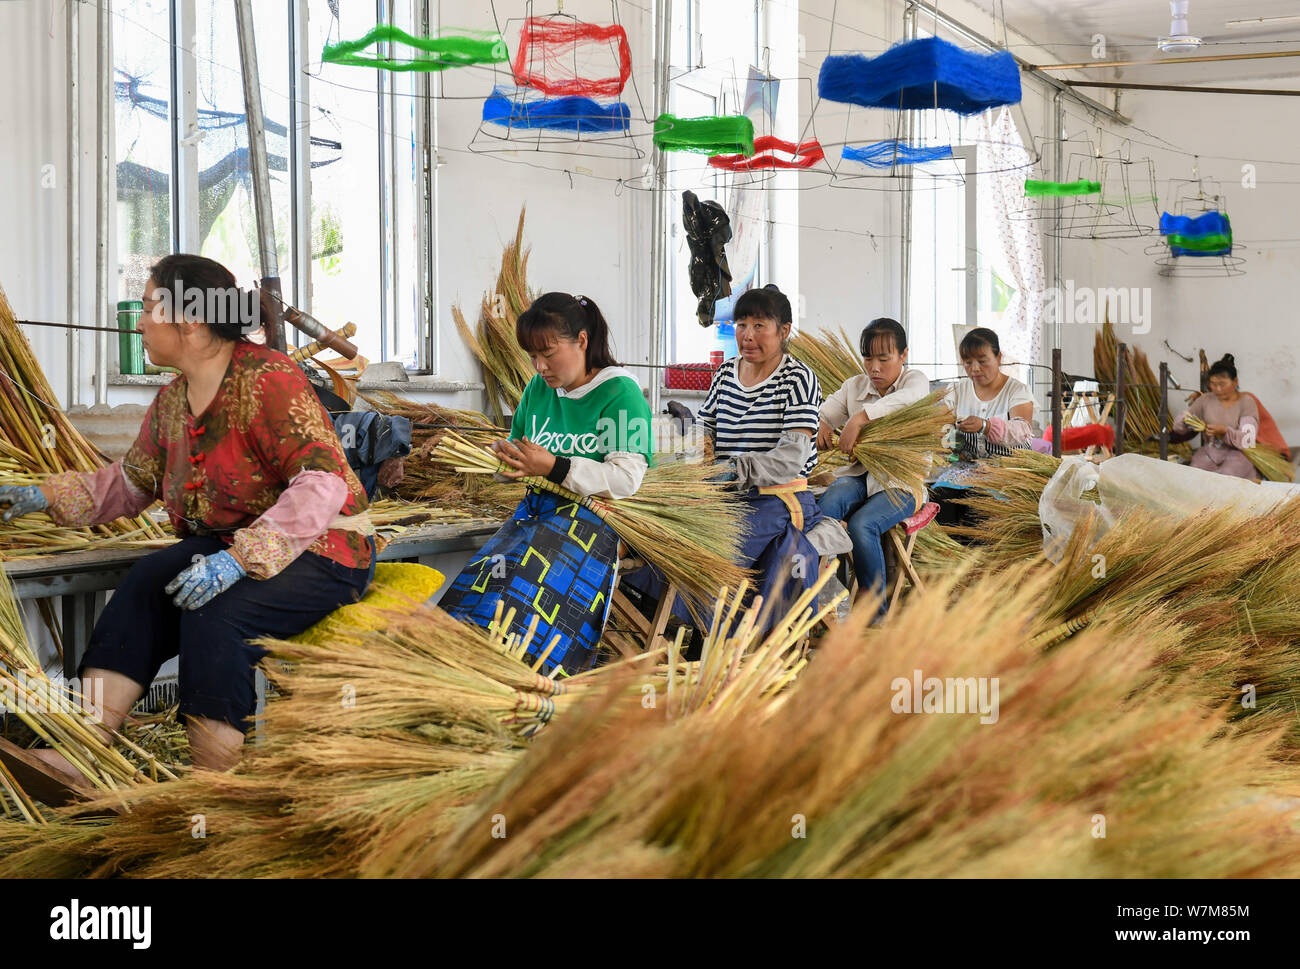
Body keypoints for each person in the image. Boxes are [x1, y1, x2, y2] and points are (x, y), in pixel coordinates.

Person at [0, 254, 375, 779]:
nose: (140, 321)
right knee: (146, 583)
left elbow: (323, 484)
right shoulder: (174, 400)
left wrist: (241, 561)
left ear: (192, 320)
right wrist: (42, 495)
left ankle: (209, 787)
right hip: (230, 547)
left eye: (151, 306)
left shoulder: (270, 380)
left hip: (321, 550)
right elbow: (132, 484)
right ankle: (81, 754)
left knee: (215, 614)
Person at [439, 293, 653, 674]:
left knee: (523, 599)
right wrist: (502, 461)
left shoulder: (621, 393)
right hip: (535, 516)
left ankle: (533, 686)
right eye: (532, 356)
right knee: (482, 586)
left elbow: (626, 478)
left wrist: (553, 466)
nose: (539, 366)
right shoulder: (539, 389)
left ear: (582, 341)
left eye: (548, 353)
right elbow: (522, 458)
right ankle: (461, 677)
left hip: (594, 524)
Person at [625, 284, 839, 634]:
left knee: (708, 554)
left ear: (783, 331)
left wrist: (733, 471)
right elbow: (705, 428)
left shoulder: (797, 378)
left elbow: (789, 458)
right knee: (661, 537)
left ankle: (725, 640)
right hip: (726, 496)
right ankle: (674, 632)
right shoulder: (725, 374)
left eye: (759, 326)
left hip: (777, 499)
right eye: (741, 325)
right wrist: (698, 449)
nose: (747, 335)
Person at [816, 318, 930, 615]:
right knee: (824, 512)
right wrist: (822, 424)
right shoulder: (854, 386)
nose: (875, 367)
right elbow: (826, 412)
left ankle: (874, 614)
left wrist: (860, 419)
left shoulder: (915, 382)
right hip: (858, 476)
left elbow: (909, 401)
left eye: (884, 358)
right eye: (868, 358)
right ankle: (830, 602)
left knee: (862, 525)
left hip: (902, 482)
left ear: (903, 355)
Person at [932, 327, 1037, 528]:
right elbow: (941, 429)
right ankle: (949, 557)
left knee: (978, 509)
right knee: (940, 502)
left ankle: (976, 557)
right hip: (964, 470)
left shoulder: (1017, 390)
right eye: (968, 362)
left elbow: (1023, 431)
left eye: (982, 360)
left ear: (998, 357)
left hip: (1004, 473)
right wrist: (946, 438)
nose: (975, 369)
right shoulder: (956, 390)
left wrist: (986, 426)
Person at [1174, 354, 1261, 480]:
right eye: (1213, 384)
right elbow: (1181, 425)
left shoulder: (1246, 402)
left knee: (1227, 476)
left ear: (1235, 382)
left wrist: (1225, 431)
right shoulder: (1205, 399)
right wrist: (1185, 422)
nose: (1218, 389)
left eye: (1222, 384)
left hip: (1239, 454)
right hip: (1210, 452)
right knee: (1195, 474)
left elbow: (1247, 440)